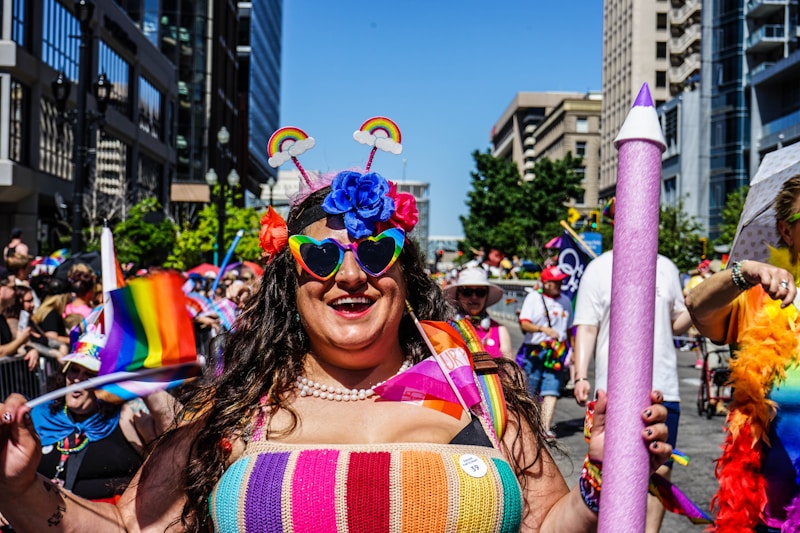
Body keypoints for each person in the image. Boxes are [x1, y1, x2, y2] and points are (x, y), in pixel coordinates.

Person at [0, 131, 672, 532]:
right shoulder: (233, 411)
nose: (350, 276)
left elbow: (549, 523)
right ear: (291, 284)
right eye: (321, 257)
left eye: (375, 254)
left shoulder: (481, 398)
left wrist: (604, 476)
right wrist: (21, 485)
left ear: (403, 275)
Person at [684, 174, 800, 532]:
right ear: (786, 230)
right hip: (771, 513)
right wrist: (745, 272)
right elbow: (698, 308)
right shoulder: (760, 298)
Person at [572, 249, 692, 533]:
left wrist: (696, 307)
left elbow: (676, 322)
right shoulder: (599, 268)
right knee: (613, 472)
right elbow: (587, 327)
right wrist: (580, 375)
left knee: (659, 472)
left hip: (664, 387)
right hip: (613, 390)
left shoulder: (667, 266)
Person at [30, 332, 175, 503]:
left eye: (89, 375)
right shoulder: (42, 415)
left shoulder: (126, 415)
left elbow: (175, 433)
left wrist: (147, 387)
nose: (77, 379)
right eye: (74, 370)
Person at [517, 265, 573, 440]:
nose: (560, 284)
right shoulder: (534, 298)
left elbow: (570, 329)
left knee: (552, 389)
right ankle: (529, 426)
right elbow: (524, 323)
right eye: (556, 282)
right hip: (536, 350)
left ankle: (544, 428)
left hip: (557, 352)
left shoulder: (565, 301)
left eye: (561, 281)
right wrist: (543, 330)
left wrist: (573, 352)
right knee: (530, 390)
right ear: (546, 283)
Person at [444, 266, 512, 358]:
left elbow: (510, 369)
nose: (474, 297)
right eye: (467, 292)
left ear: (486, 295)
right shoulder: (447, 328)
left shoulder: (499, 330)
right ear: (458, 295)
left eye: (480, 292)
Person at [0, 268, 37, 370]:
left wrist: (29, 349)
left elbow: (12, 345)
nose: (16, 292)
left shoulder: (2, 317)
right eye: (12, 288)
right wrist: (21, 340)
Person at [29, 277, 71, 356]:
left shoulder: (46, 310)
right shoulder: (51, 313)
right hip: (51, 356)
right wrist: (71, 340)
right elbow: (52, 336)